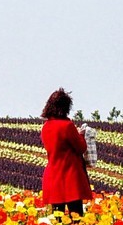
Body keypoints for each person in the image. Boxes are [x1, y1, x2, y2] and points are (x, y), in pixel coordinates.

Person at [40, 88, 93, 217]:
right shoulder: (67, 126)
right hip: (70, 177)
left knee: (58, 219)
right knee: (76, 217)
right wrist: (81, 135)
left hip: (53, 176)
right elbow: (81, 147)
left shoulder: (46, 126)